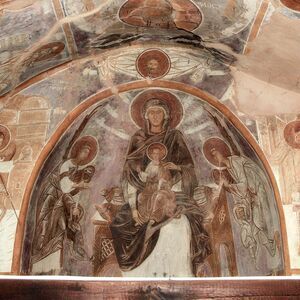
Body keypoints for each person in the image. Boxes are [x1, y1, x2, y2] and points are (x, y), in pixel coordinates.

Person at [110, 92, 211, 277]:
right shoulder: (138, 138)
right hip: (143, 193)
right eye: (151, 112)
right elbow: (129, 171)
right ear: (145, 116)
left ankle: (179, 275)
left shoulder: (175, 136)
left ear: (165, 115)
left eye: (159, 112)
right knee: (119, 224)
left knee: (184, 223)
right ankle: (136, 277)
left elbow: (189, 168)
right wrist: (134, 205)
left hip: (174, 192)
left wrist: (177, 168)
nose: (155, 116)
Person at [203, 137, 280, 261]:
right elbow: (240, 192)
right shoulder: (229, 168)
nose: (214, 158)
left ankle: (271, 248)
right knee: (253, 226)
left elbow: (243, 187)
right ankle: (269, 249)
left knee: (258, 223)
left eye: (215, 153)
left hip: (258, 191)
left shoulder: (235, 162)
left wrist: (228, 186)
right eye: (212, 156)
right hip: (252, 196)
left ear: (221, 151)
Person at [31, 137, 97, 273]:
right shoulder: (66, 164)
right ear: (77, 151)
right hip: (51, 198)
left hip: (62, 202)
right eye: (83, 151)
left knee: (61, 229)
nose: (84, 155)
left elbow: (72, 194)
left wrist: (74, 207)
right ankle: (42, 263)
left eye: (87, 153)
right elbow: (65, 186)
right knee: (48, 228)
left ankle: (56, 266)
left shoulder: (79, 170)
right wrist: (80, 185)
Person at [137, 142, 177, 224]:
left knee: (157, 197)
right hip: (150, 187)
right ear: (151, 155)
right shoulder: (150, 165)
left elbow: (167, 179)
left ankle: (153, 217)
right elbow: (146, 178)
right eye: (154, 153)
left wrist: (161, 181)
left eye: (158, 153)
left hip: (163, 188)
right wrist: (141, 173)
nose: (156, 155)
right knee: (141, 197)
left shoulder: (164, 165)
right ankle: (143, 219)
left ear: (161, 155)